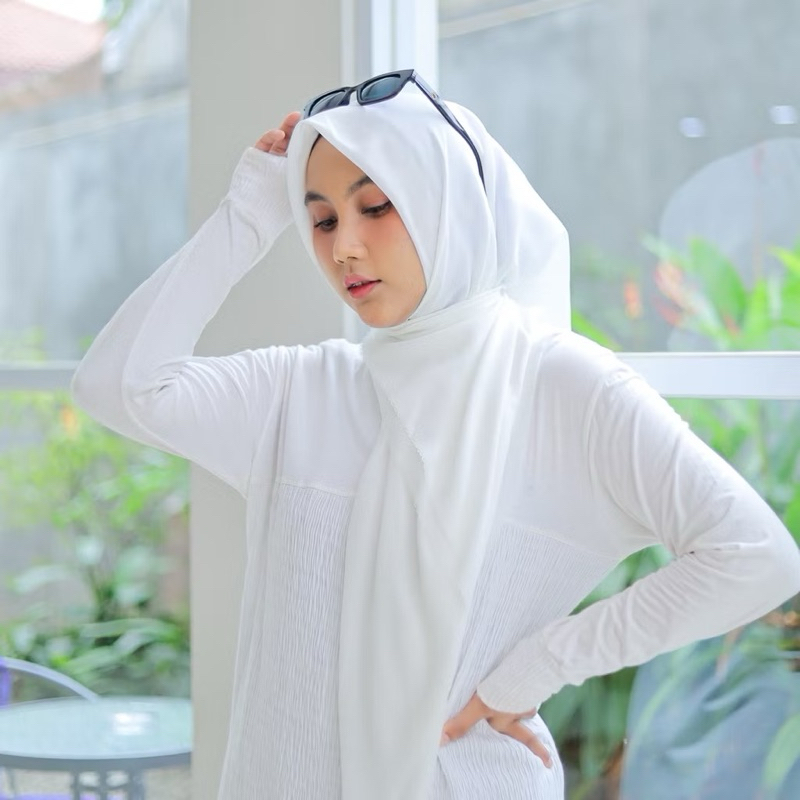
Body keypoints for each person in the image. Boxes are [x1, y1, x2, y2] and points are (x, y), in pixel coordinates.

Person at [70, 70, 800, 800]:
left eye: (376, 207)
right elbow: (117, 385)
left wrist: (542, 664)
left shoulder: (564, 388)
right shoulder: (302, 390)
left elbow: (756, 558)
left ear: (448, 202)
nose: (344, 247)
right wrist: (248, 214)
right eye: (320, 220)